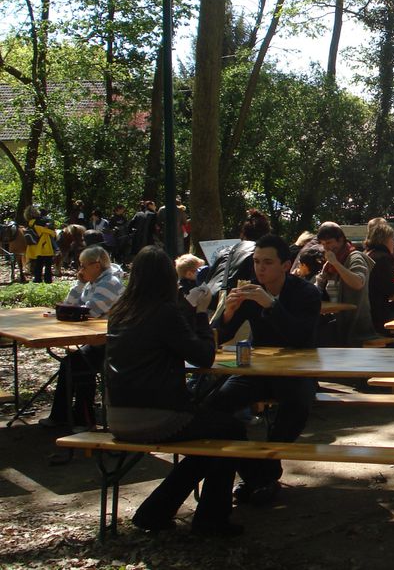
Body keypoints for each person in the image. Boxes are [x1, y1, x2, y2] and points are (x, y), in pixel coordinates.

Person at [105, 245, 244, 536]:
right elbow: (204, 356)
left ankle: (156, 511)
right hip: (158, 415)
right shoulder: (164, 312)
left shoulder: (119, 311)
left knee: (213, 438)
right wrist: (202, 313)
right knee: (231, 431)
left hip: (116, 415)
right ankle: (211, 519)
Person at [207, 234, 321, 506]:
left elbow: (300, 337)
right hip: (258, 372)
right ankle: (257, 474)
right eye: (257, 262)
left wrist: (270, 304)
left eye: (267, 262)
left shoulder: (306, 293)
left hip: (297, 372)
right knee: (215, 406)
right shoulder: (249, 291)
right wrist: (228, 313)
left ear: (285, 265)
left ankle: (264, 476)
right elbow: (219, 337)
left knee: (296, 408)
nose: (260, 268)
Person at [40, 246, 125, 429]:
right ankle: (65, 416)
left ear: (97, 265)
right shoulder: (92, 283)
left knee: (77, 365)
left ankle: (83, 419)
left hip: (113, 344)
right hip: (97, 341)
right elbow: (69, 305)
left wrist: (72, 310)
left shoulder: (110, 282)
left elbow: (90, 311)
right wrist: (79, 284)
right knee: (72, 363)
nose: (81, 270)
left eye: (84, 265)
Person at [314, 222, 376, 345]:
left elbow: (358, 283)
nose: (326, 247)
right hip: (336, 323)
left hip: (355, 325)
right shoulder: (331, 262)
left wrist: (336, 264)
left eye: (329, 243)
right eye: (323, 244)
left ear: (341, 240)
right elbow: (317, 288)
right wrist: (321, 277)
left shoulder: (355, 257)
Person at [24, 205, 57, 284]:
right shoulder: (41, 222)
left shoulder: (30, 223)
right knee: (48, 265)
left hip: (37, 248)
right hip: (46, 246)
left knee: (38, 265)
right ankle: (48, 280)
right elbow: (52, 233)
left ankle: (37, 279)